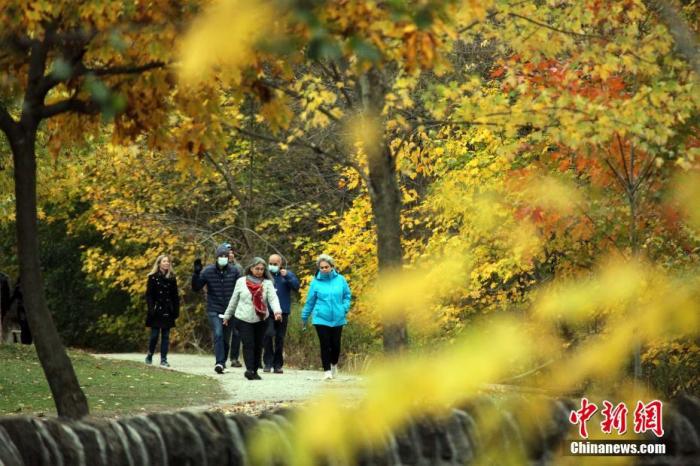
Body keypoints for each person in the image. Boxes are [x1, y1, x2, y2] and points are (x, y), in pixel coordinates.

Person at [222, 257, 282, 380]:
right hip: (243, 318)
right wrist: (227, 316)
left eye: (262, 269)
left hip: (260, 318)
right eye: (257, 268)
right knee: (248, 343)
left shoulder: (267, 283)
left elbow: (273, 299)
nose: (259, 271)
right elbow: (234, 300)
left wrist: (277, 312)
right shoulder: (241, 281)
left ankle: (255, 370)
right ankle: (249, 369)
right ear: (251, 268)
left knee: (258, 345)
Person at [192, 243, 241, 374]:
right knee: (218, 334)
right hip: (214, 308)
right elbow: (196, 288)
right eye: (221, 255)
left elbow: (241, 289)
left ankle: (222, 363)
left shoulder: (235, 271)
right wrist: (196, 273)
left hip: (229, 310)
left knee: (226, 338)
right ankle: (219, 362)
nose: (224, 257)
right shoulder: (208, 271)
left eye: (226, 255)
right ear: (216, 257)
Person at [301, 254, 351, 380]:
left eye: (326, 267)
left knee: (336, 345)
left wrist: (344, 308)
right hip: (320, 318)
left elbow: (347, 296)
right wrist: (304, 317)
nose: (324, 269)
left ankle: (334, 365)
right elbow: (310, 301)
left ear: (332, 266)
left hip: (338, 318)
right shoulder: (315, 282)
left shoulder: (341, 280)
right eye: (321, 267)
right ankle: (327, 371)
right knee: (325, 344)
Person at [262, 254, 300, 373]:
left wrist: (288, 276)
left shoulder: (287, 275)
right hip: (267, 312)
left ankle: (278, 365)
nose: (272, 266)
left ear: (280, 264)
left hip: (283, 311)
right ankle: (268, 363)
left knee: (280, 338)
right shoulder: (265, 276)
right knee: (268, 335)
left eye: (275, 264)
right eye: (271, 264)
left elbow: (296, 286)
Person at [144, 255, 180, 367]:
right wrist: (151, 309)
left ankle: (163, 359)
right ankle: (150, 354)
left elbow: (175, 296)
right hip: (156, 310)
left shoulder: (172, 278)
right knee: (154, 335)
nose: (166, 263)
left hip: (168, 310)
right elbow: (149, 295)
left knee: (166, 335)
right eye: (164, 261)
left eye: (168, 261)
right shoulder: (152, 277)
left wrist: (176, 310)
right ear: (159, 263)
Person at [226, 248, 244, 368]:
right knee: (223, 332)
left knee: (237, 333)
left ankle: (234, 358)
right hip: (222, 304)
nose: (230, 254)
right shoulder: (216, 268)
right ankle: (221, 357)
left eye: (232, 252)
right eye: (227, 252)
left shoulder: (238, 268)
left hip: (237, 304)